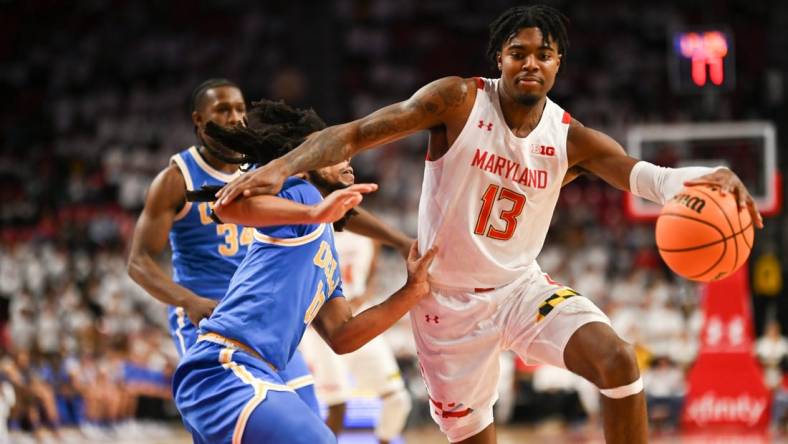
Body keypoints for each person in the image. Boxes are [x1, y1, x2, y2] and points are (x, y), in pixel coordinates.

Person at [212, 5, 763, 443]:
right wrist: (279, 169)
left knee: (617, 360)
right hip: (445, 306)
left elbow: (646, 178)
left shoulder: (570, 138)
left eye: (543, 54)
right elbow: (354, 134)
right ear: (498, 57)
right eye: (517, 52)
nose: (530, 63)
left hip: (520, 290)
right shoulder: (456, 100)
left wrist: (706, 177)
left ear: (558, 64)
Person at [172, 99, 437, 444]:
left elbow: (343, 336)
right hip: (227, 367)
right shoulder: (301, 194)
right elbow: (228, 206)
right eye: (333, 150)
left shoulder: (324, 246)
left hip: (247, 372)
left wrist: (412, 292)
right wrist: (314, 214)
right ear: (304, 162)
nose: (348, 156)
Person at [126, 79, 319, 412]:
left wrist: (396, 240)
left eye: (240, 109)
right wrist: (189, 301)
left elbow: (321, 210)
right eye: (223, 109)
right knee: (230, 420)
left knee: (308, 414)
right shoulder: (177, 179)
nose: (235, 117)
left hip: (263, 317)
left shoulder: (262, 171)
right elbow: (138, 262)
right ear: (199, 120)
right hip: (208, 317)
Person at [300, 229, 412, 443]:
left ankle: (384, 439)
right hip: (322, 327)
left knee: (397, 399)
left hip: (360, 318)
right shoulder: (313, 230)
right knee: (338, 406)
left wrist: (363, 296)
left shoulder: (369, 234)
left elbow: (371, 276)